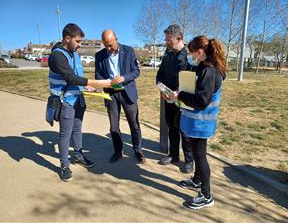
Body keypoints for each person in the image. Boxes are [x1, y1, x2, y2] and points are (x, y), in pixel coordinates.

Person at [48, 23, 111, 182]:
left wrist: (89, 87)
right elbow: (70, 77)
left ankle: (78, 155)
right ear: (67, 38)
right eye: (78, 41)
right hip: (65, 101)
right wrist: (99, 83)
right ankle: (64, 164)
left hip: (78, 98)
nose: (80, 44)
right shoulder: (57, 56)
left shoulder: (73, 52)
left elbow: (77, 77)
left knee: (77, 129)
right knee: (65, 133)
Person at [170, 35, 226, 209]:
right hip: (196, 123)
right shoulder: (203, 66)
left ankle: (206, 194)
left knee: (200, 157)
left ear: (199, 51)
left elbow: (202, 101)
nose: (190, 56)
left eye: (191, 52)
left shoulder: (209, 71)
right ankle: (196, 180)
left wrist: (180, 96)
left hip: (201, 124)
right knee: (196, 154)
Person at [95, 30, 146, 164]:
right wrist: (104, 82)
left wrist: (124, 78)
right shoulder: (99, 55)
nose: (108, 48)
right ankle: (118, 151)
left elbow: (136, 71)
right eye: (105, 45)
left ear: (116, 39)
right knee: (113, 126)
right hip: (111, 93)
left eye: (111, 45)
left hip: (127, 92)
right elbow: (98, 75)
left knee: (134, 124)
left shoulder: (129, 51)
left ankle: (138, 150)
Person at [156, 24, 193, 174]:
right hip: (168, 97)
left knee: (184, 130)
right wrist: (161, 88)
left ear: (179, 39)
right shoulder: (167, 54)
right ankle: (173, 155)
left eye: (169, 40)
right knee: (171, 126)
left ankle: (189, 161)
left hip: (182, 100)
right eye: (166, 40)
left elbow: (191, 80)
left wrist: (178, 92)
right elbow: (160, 74)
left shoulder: (189, 57)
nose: (166, 42)